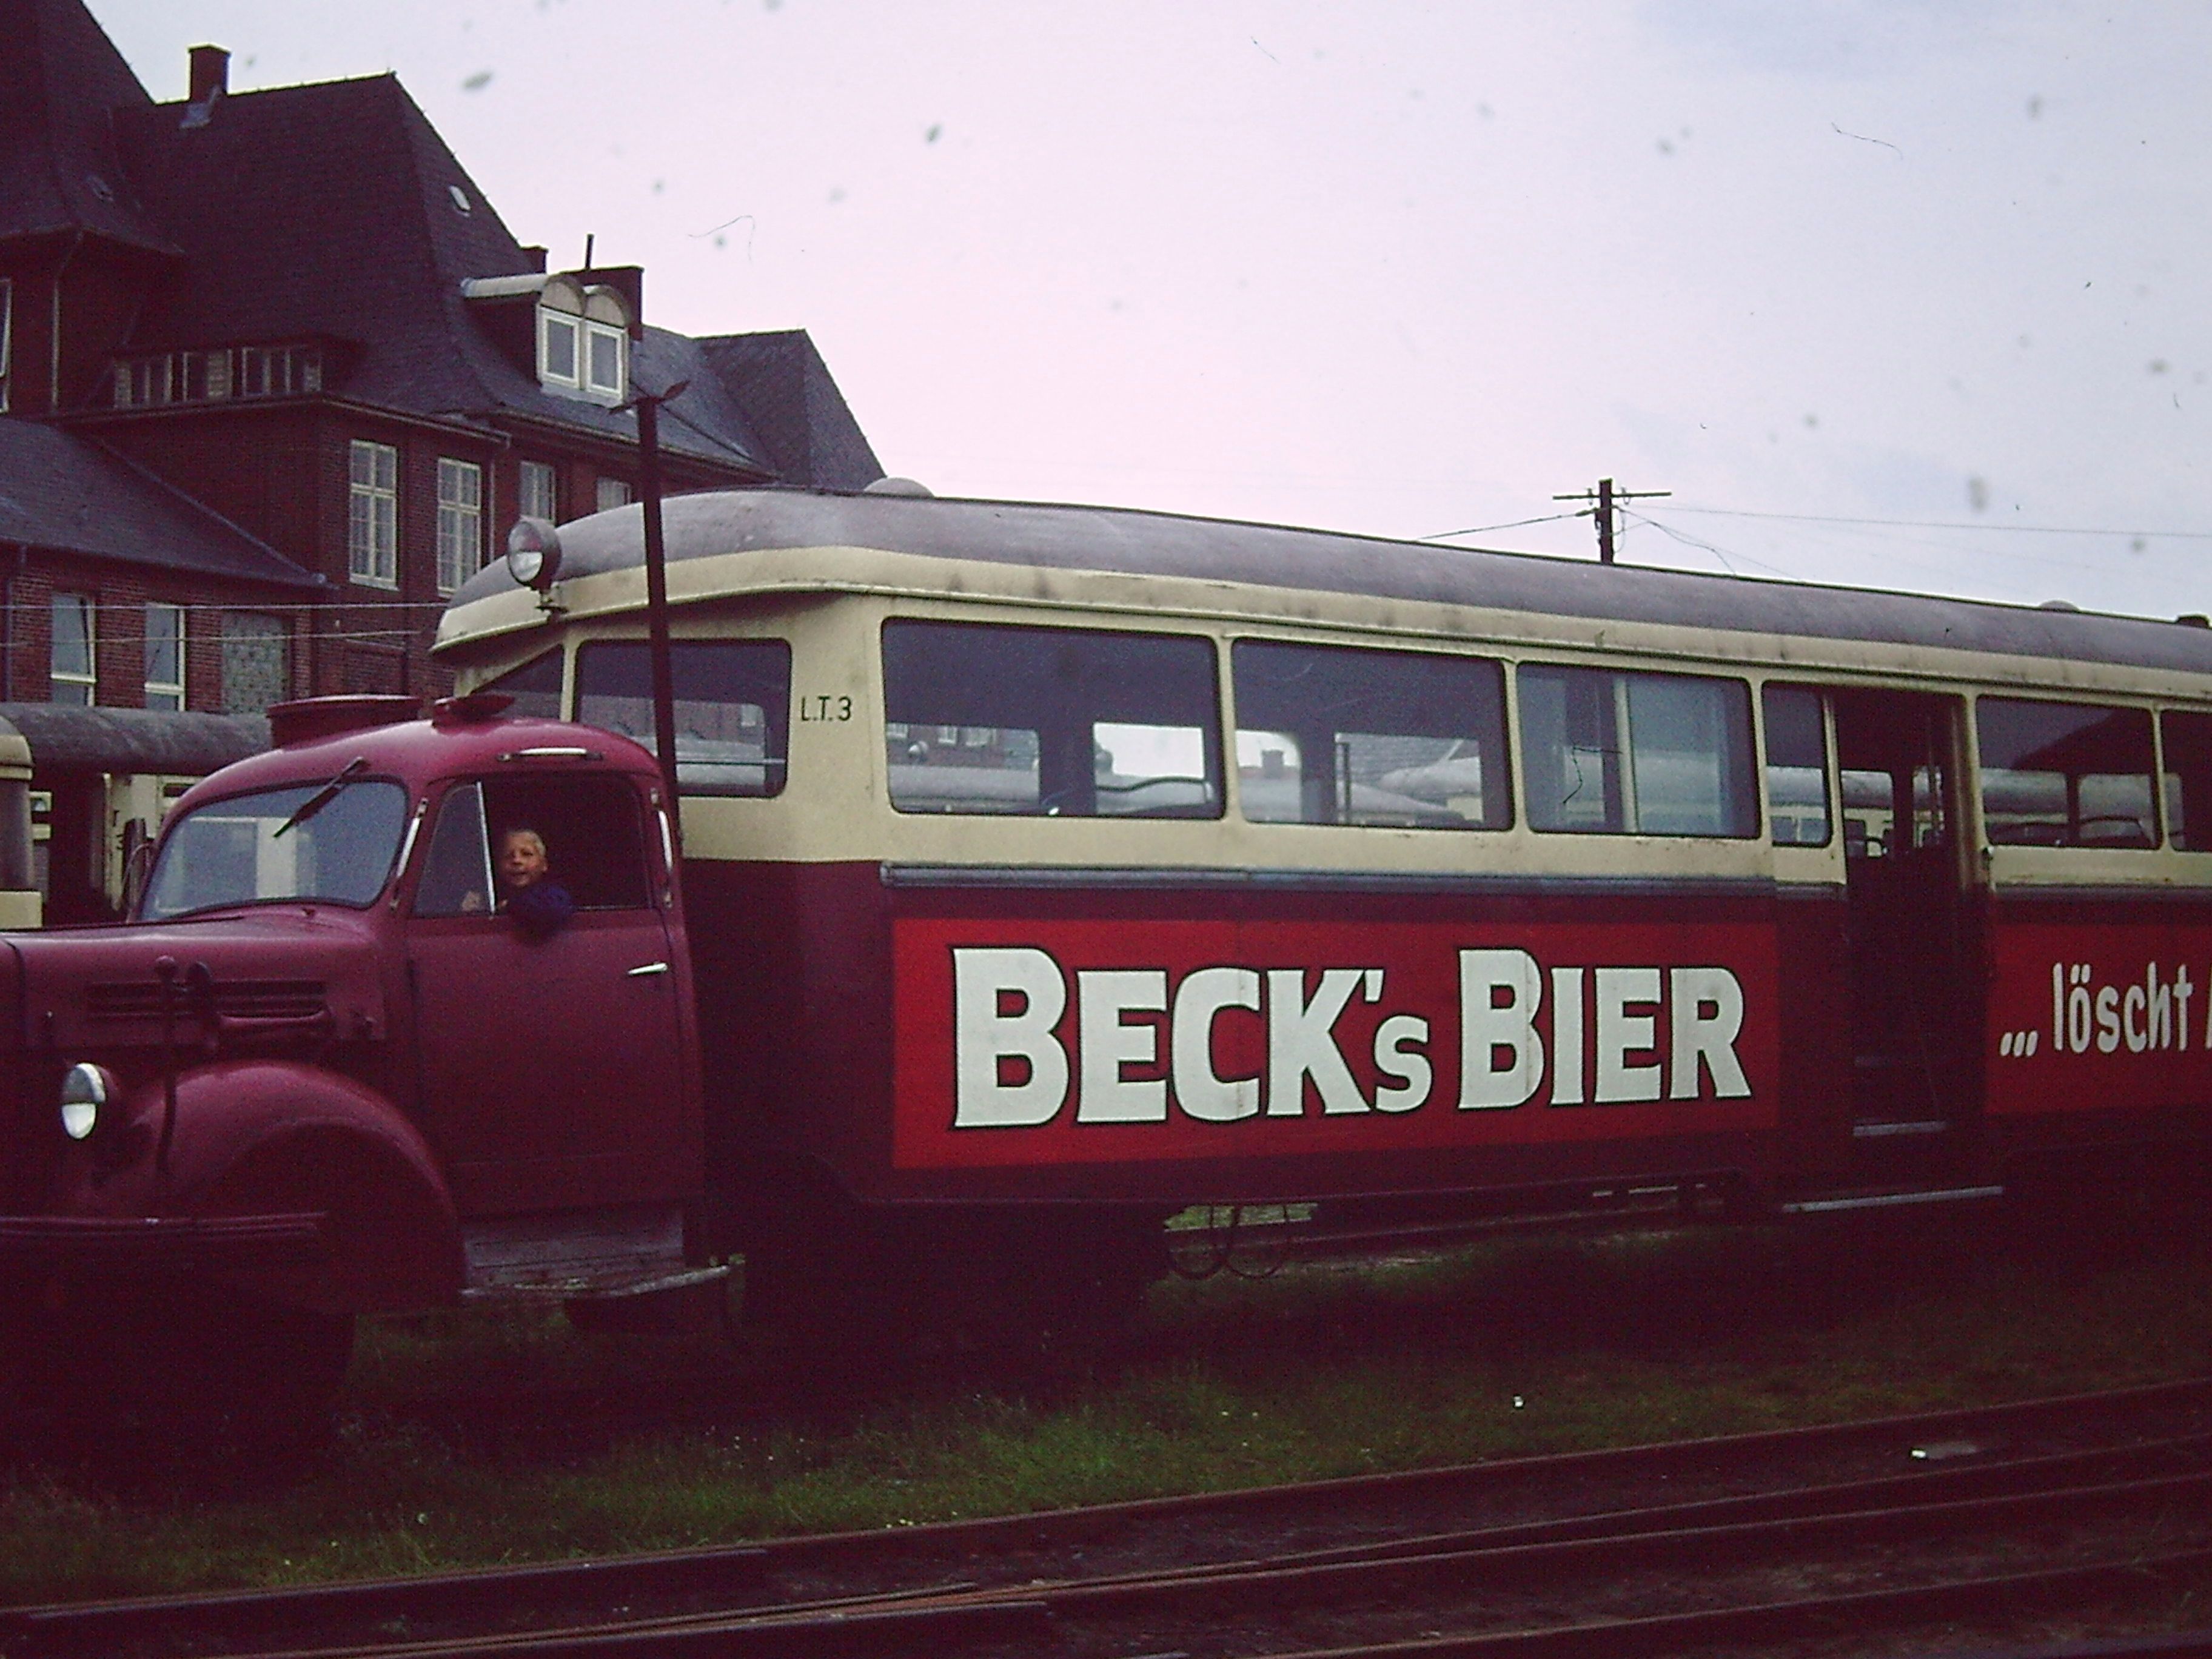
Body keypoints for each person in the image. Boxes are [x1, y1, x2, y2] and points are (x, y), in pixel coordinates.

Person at [495, 825, 575, 938]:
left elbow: (552, 910)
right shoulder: (491, 895)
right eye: (508, 856)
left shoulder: (552, 894)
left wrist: (510, 906)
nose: (517, 861)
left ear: (544, 864)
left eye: (526, 854)